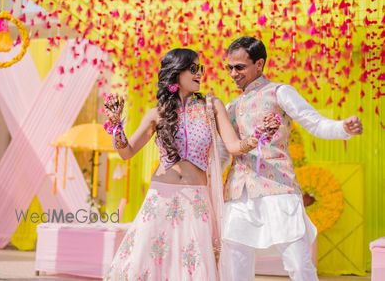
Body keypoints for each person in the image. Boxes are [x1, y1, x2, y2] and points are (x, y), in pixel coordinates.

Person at [102, 48, 279, 280]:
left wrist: (257, 137)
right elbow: (126, 152)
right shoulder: (158, 113)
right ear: (176, 72)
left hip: (196, 200)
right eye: (193, 69)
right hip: (160, 198)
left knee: (192, 265)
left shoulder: (211, 106)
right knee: (149, 263)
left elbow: (234, 146)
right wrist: (116, 125)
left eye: (201, 69)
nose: (199, 74)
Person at [218, 36, 363, 281]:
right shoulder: (231, 107)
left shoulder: (279, 92)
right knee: (236, 263)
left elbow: (314, 123)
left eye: (239, 67)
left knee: (298, 263)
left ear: (259, 64)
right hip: (238, 190)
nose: (233, 73)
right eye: (229, 67)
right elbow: (224, 153)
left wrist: (342, 129)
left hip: (278, 185)